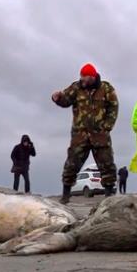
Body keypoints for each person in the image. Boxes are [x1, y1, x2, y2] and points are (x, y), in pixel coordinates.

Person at [52, 63, 118, 204]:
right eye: (81, 76)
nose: (82, 79)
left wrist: (107, 126)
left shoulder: (106, 88)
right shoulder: (76, 87)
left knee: (107, 163)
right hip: (80, 134)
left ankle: (108, 194)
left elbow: (113, 107)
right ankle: (65, 195)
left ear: (92, 76)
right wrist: (57, 98)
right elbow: (65, 100)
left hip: (100, 134)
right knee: (72, 163)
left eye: (85, 77)